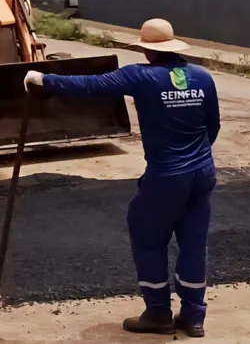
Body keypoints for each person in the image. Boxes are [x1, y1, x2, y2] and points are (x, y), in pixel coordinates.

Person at [24, 19, 220, 338]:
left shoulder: (140, 76)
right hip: (202, 173)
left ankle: (158, 313)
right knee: (194, 242)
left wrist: (43, 79)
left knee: (147, 235)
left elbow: (91, 86)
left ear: (146, 49)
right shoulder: (203, 77)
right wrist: (194, 159)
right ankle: (194, 316)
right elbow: (212, 127)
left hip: (166, 175)